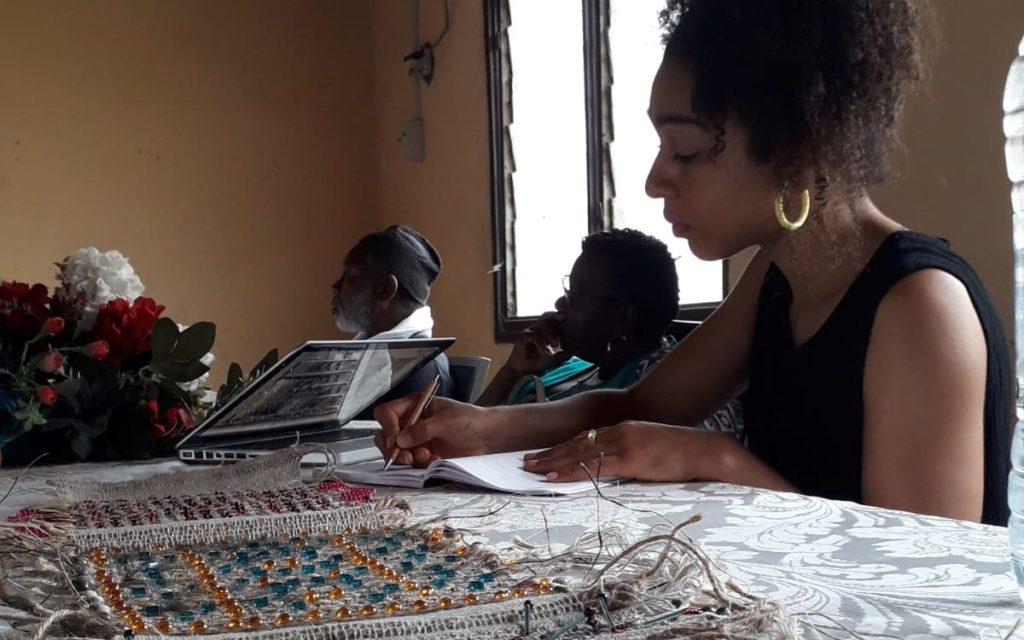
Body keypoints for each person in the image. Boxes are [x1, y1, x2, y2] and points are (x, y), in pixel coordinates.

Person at [373, 0, 1012, 526]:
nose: (655, 181)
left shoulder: (919, 305)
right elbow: (641, 405)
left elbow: (924, 575)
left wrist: (720, 461)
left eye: (684, 150)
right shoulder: (776, 279)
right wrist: (483, 427)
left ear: (796, 146)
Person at [477, 229, 679, 406]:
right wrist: (513, 371)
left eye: (576, 297)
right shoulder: (565, 367)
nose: (559, 304)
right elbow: (464, 432)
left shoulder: (658, 388)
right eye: (568, 292)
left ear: (624, 317)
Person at [330, 224, 453, 415]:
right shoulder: (373, 354)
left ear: (386, 288)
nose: (335, 286)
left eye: (351, 277)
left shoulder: (419, 370)